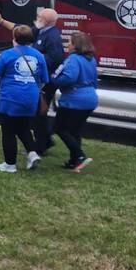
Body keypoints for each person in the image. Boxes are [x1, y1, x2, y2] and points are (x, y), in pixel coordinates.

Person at [0, 7, 64, 153]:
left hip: (43, 83)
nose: (37, 18)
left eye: (40, 17)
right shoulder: (40, 30)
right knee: (36, 115)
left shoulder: (52, 37)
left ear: (47, 21)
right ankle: (45, 141)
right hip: (36, 81)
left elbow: (56, 58)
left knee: (38, 116)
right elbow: (20, 30)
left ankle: (40, 147)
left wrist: (34, 60)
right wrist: (1, 21)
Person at [0, 25, 49, 172]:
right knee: (23, 126)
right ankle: (32, 154)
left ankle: (10, 164)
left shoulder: (7, 54)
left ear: (14, 38)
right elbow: (44, 79)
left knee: (8, 131)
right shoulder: (39, 56)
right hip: (31, 97)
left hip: (10, 97)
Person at [51, 32, 98, 172]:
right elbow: (94, 79)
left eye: (69, 42)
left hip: (74, 99)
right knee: (74, 130)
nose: (67, 45)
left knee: (59, 128)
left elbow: (69, 78)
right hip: (90, 97)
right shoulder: (91, 59)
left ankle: (79, 155)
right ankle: (74, 161)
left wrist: (54, 80)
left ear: (76, 45)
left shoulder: (73, 59)